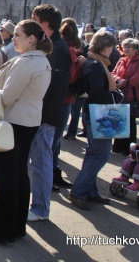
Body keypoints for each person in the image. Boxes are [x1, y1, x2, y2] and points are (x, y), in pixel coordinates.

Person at [0, 20, 52, 244]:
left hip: (13, 123)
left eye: (17, 34)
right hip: (27, 122)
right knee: (18, 175)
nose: (13, 38)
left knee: (5, 178)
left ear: (32, 39)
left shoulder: (27, 62)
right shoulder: (40, 61)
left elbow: (6, 97)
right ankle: (16, 226)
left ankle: (3, 230)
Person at [68, 30, 124, 211]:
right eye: (112, 47)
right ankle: (79, 191)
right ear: (106, 47)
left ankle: (89, 190)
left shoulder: (91, 61)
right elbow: (98, 92)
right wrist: (116, 96)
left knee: (94, 153)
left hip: (94, 111)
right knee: (100, 155)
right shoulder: (95, 65)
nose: (113, 51)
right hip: (100, 113)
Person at [26, 4, 71, 223]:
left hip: (45, 118)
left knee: (41, 163)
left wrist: (41, 118)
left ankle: (40, 209)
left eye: (34, 18)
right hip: (37, 114)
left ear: (45, 24)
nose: (31, 21)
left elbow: (57, 90)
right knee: (30, 161)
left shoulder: (59, 49)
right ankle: (19, 197)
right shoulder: (51, 46)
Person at [52, 18, 84, 192]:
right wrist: (80, 65)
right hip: (64, 98)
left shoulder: (62, 47)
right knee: (54, 138)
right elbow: (69, 77)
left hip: (63, 98)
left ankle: (53, 171)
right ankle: (50, 174)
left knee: (55, 139)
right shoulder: (69, 50)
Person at [111, 38, 139, 154]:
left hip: (132, 95)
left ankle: (128, 148)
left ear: (135, 49)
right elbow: (113, 73)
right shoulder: (121, 60)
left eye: (128, 47)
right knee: (119, 119)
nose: (125, 49)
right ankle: (118, 146)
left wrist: (124, 82)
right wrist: (118, 79)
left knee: (130, 121)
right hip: (120, 94)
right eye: (124, 47)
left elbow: (137, 78)